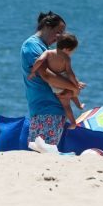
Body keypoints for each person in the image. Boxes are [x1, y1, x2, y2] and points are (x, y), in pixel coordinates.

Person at [21, 11, 83, 148]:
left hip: (50, 108)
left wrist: (73, 88)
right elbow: (47, 75)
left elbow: (63, 74)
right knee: (43, 150)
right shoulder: (32, 46)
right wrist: (74, 88)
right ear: (47, 26)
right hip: (46, 108)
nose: (60, 36)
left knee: (41, 150)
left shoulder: (47, 49)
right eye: (58, 31)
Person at [27, 33, 84, 129]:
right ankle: (78, 107)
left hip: (56, 85)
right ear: (67, 49)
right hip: (64, 79)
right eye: (72, 51)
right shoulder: (66, 58)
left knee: (66, 105)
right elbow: (70, 73)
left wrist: (33, 72)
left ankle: (73, 121)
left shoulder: (48, 53)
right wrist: (76, 83)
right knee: (72, 92)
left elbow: (39, 61)